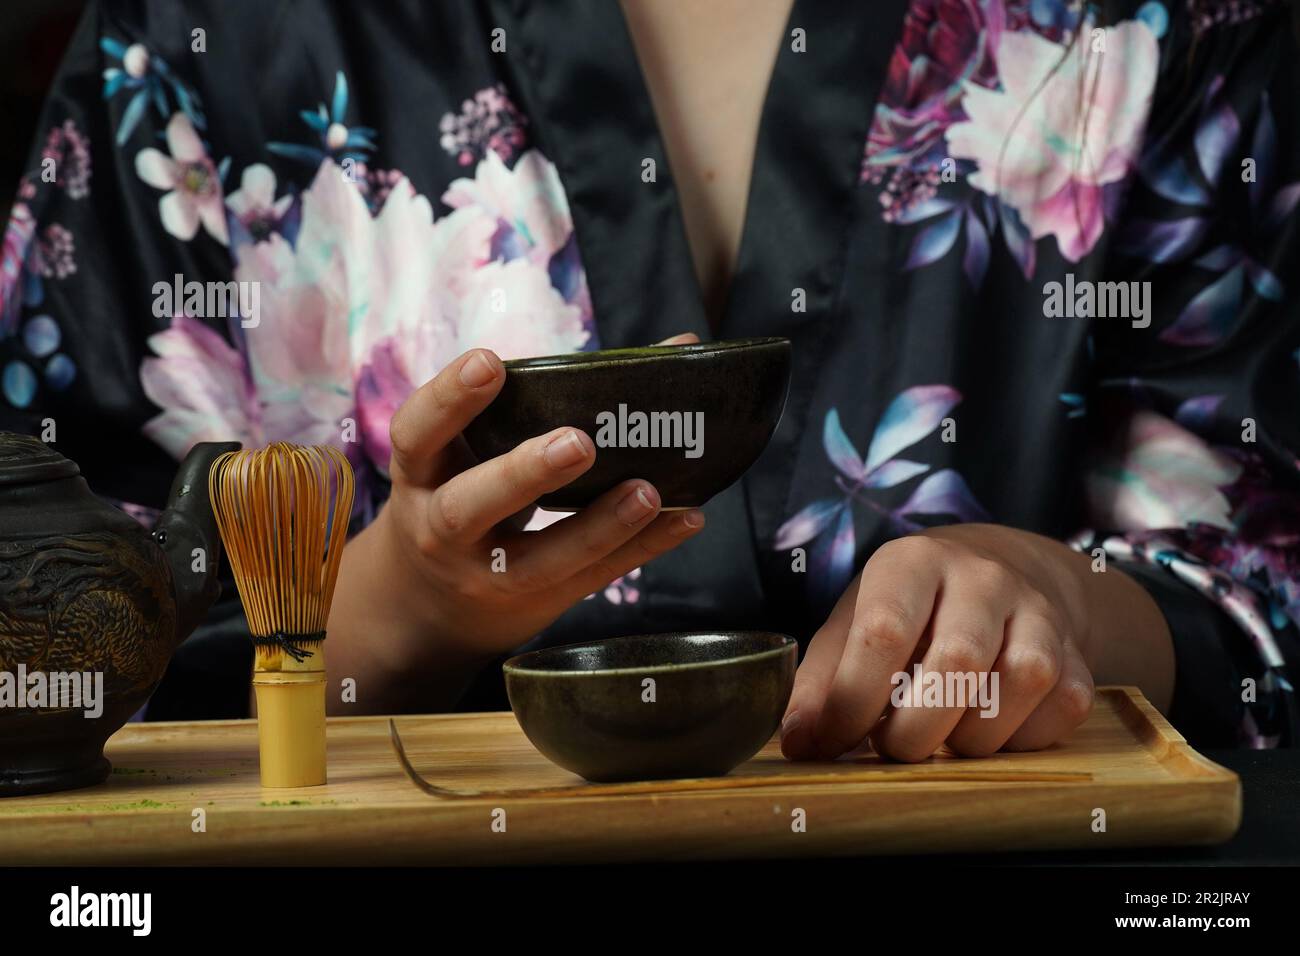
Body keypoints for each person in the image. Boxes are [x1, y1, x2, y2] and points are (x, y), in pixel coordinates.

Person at [2, 0, 1297, 759]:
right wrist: (392, 613)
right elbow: (46, 643)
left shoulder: (1167, 26)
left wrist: (1059, 601)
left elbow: (1267, 568)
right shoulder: (201, 28)